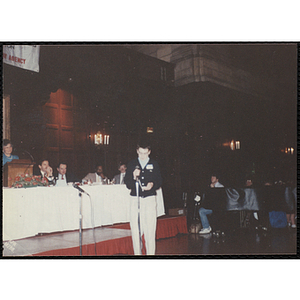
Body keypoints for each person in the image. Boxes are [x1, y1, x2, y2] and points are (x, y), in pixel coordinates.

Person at [124, 143, 162, 255]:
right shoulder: (132, 164)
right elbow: (127, 184)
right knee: (136, 230)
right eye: (141, 153)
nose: (143, 155)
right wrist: (133, 176)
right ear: (137, 151)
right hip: (135, 199)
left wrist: (152, 184)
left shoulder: (154, 164)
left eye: (145, 153)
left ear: (149, 152)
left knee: (150, 229)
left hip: (149, 199)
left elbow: (159, 181)